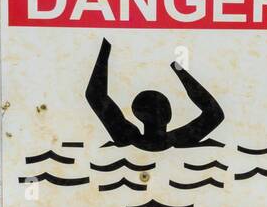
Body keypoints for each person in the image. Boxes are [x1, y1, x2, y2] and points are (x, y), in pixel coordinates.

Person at [85, 38, 224, 150]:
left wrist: (105, 48)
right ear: (169, 115)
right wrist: (179, 70)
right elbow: (214, 114)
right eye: (164, 107)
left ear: (137, 113)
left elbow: (96, 95)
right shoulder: (180, 138)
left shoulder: (126, 136)